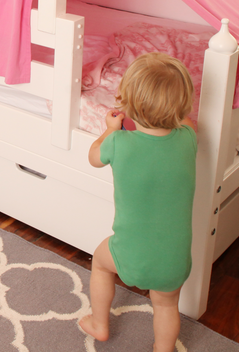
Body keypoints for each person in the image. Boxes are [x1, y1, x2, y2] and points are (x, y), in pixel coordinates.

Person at [79, 52, 197, 352]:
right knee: (167, 305)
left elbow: (93, 157)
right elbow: (185, 122)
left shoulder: (118, 143)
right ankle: (163, 349)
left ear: (128, 103)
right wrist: (170, 109)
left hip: (128, 252)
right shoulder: (188, 139)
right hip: (174, 257)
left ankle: (99, 323)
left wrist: (110, 128)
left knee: (101, 263)